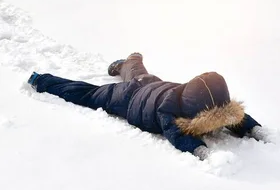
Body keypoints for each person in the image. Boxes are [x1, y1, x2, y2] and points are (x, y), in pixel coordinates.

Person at [27, 53, 266, 160]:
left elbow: (234, 115)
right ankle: (43, 80)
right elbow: (176, 135)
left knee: (140, 75)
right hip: (129, 97)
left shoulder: (192, 94)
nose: (218, 122)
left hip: (152, 84)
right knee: (88, 94)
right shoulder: (168, 111)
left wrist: (254, 129)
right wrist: (199, 151)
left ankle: (130, 62)